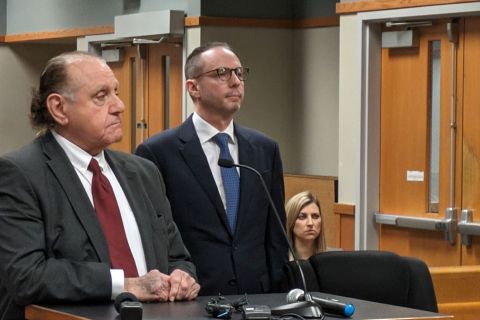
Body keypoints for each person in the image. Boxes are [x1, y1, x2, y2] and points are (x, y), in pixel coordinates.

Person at [0, 51, 200, 319]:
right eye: (101, 96)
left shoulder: (144, 172)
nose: (119, 105)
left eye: (116, 92)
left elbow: (178, 257)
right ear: (59, 108)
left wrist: (181, 276)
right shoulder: (21, 173)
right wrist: (126, 285)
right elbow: (26, 275)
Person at [135, 42, 288, 295]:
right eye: (222, 73)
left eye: (240, 73)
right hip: (192, 298)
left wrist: (279, 294)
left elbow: (275, 235)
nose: (235, 81)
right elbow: (153, 237)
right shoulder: (157, 152)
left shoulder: (265, 149)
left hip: (258, 298)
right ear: (193, 88)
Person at [286, 191, 326, 260]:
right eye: (302, 217)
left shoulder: (332, 259)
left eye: (315, 216)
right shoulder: (278, 262)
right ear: (291, 221)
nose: (310, 223)